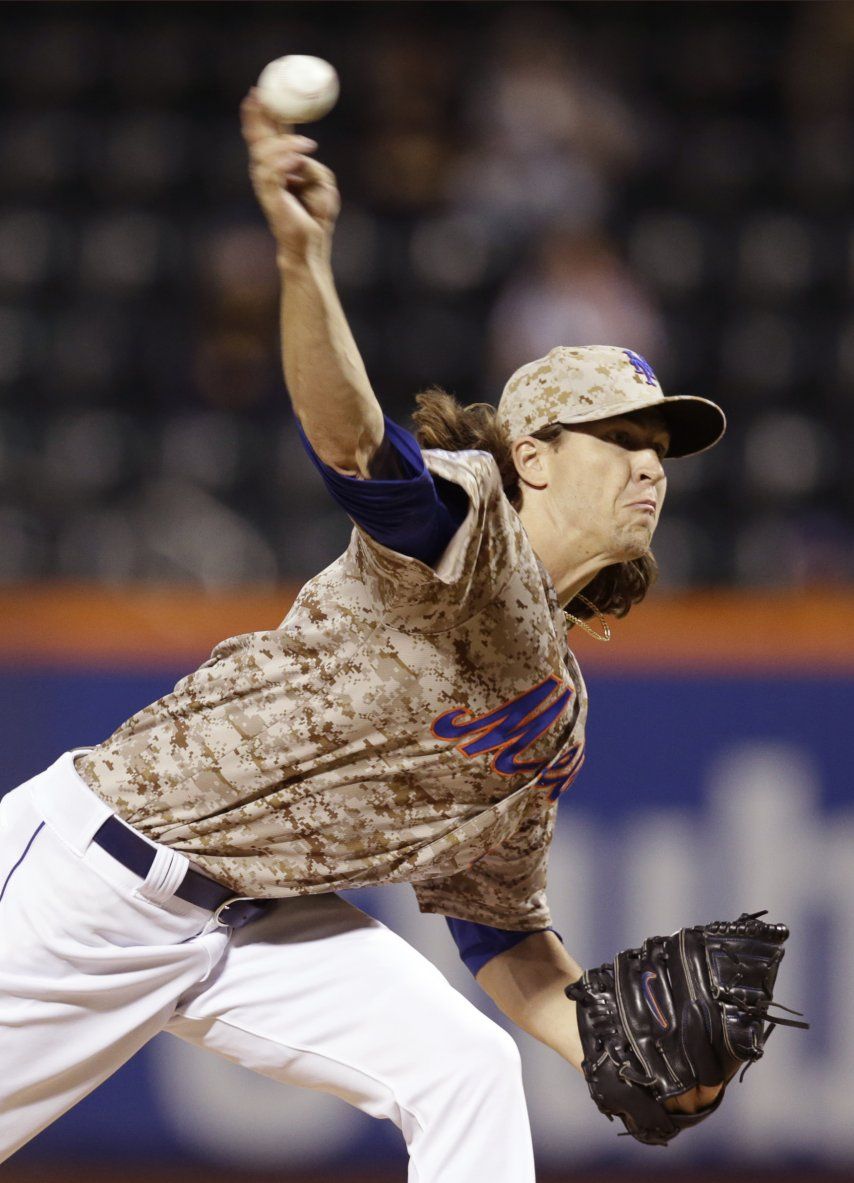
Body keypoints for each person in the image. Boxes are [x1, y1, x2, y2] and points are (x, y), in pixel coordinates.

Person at [0, 93, 727, 1177]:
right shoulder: (468, 525)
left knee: (465, 1070)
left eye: (659, 447)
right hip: (96, 878)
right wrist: (303, 263)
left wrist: (606, 1046)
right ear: (530, 456)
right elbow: (351, 441)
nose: (647, 465)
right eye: (617, 438)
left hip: (258, 923)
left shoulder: (555, 712)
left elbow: (494, 924)